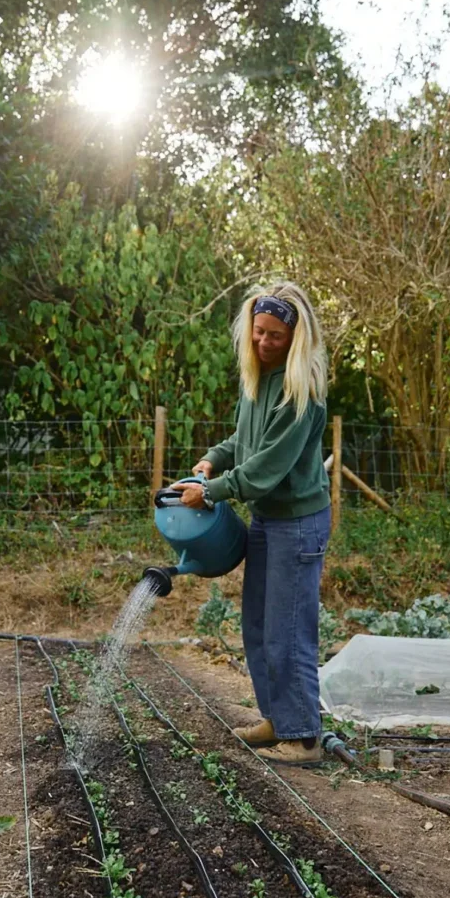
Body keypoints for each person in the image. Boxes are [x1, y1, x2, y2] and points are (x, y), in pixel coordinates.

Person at [172, 282, 330, 766]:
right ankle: (278, 718)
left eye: (276, 336)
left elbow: (264, 469)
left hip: (298, 524)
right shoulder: (258, 377)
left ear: (296, 337)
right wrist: (213, 458)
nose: (264, 342)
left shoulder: (300, 392)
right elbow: (246, 440)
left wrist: (212, 492)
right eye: (258, 332)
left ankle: (303, 738)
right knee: (259, 627)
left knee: (288, 631)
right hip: (268, 519)